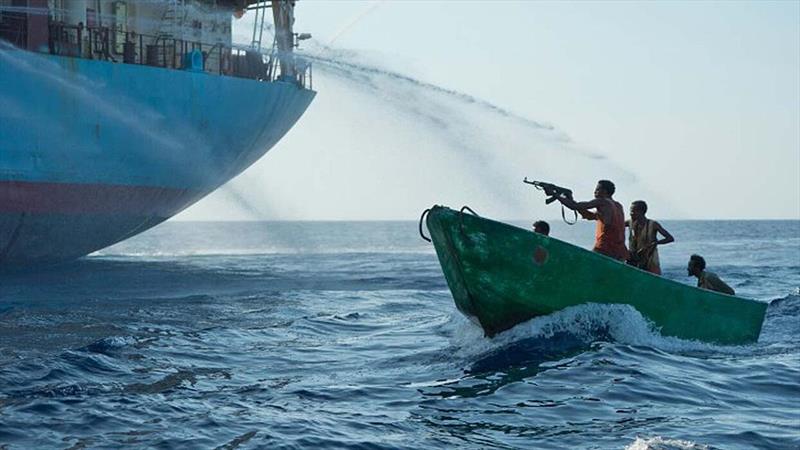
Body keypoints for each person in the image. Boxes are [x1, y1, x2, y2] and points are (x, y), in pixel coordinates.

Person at [557, 180, 628, 261]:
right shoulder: (618, 206)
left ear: (604, 191)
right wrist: (570, 199)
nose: (595, 192)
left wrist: (556, 195)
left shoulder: (602, 201)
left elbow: (574, 206)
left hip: (605, 249)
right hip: (619, 252)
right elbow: (588, 215)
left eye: (597, 189)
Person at [626, 200, 674, 275]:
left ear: (641, 212)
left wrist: (655, 243)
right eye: (630, 211)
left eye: (633, 211)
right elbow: (616, 227)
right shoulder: (629, 222)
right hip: (634, 258)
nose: (630, 214)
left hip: (650, 259)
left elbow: (670, 238)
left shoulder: (653, 224)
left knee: (654, 277)